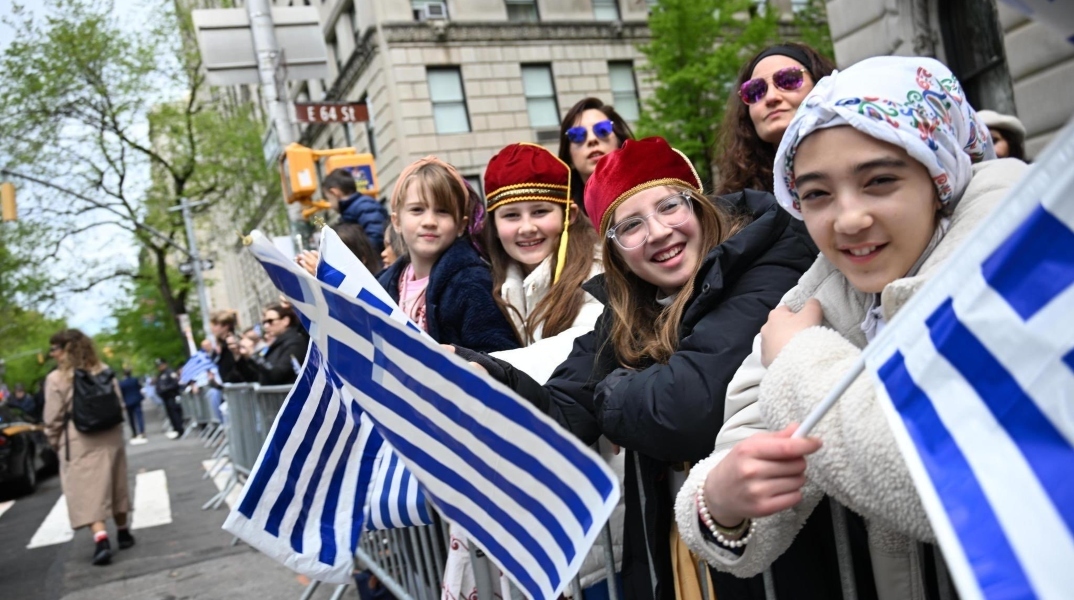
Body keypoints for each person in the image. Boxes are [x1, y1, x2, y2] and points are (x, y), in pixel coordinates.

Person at [676, 56, 1022, 600]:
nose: (849, 218)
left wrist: (797, 359)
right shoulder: (824, 288)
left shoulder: (1022, 248)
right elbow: (741, 452)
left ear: (941, 176)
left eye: (879, 180)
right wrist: (720, 501)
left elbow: (959, 484)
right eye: (816, 194)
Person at [453, 137, 818, 599]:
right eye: (631, 225)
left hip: (775, 564)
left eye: (670, 205)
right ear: (616, 248)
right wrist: (487, 376)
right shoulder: (630, 306)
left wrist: (612, 387)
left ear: (699, 204)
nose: (659, 232)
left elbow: (687, 409)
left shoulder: (768, 260)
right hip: (680, 554)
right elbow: (564, 410)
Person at [376, 156, 518, 352]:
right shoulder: (382, 285)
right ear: (397, 221)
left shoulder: (471, 283)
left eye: (442, 211)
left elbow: (500, 357)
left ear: (461, 225)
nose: (429, 221)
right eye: (417, 210)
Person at [43, 329, 133, 565]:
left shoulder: (57, 379)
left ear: (65, 350)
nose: (52, 354)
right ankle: (123, 532)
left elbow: (52, 417)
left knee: (88, 490)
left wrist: (55, 441)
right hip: (110, 436)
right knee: (116, 482)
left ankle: (101, 539)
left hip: (79, 439)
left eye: (54, 349)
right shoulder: (103, 370)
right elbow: (119, 403)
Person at [713, 43, 836, 196]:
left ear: (820, 84)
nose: (771, 97)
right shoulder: (738, 207)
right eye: (755, 90)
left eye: (788, 79)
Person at [557, 98, 635, 211]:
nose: (592, 139)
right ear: (568, 156)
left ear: (620, 142)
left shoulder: (655, 190)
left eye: (602, 129)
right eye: (577, 135)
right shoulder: (564, 218)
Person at [236, 303, 309, 386]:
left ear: (285, 321)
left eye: (270, 321)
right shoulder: (277, 344)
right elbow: (256, 377)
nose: (266, 326)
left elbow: (277, 375)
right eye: (264, 322)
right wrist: (243, 357)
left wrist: (253, 355)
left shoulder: (295, 342)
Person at [323, 167, 390, 253]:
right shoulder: (355, 208)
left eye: (328, 199)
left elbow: (377, 237)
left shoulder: (364, 206)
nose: (330, 205)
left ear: (334, 192)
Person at [154, 358, 184, 438]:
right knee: (170, 414)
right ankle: (175, 429)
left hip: (172, 396)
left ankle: (179, 429)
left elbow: (175, 383)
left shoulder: (170, 372)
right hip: (165, 398)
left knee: (175, 413)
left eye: (161, 365)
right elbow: (157, 386)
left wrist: (166, 388)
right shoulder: (159, 375)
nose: (160, 367)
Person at [118, 369, 146, 442]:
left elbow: (122, 393)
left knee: (131, 418)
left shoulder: (122, 383)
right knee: (139, 416)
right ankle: (142, 431)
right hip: (136, 400)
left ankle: (134, 432)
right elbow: (139, 387)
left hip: (128, 402)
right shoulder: (134, 380)